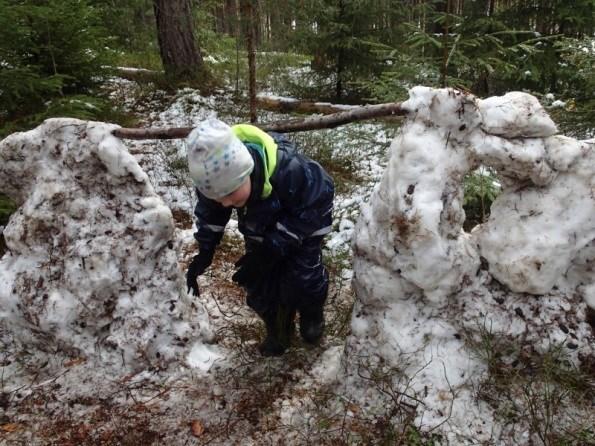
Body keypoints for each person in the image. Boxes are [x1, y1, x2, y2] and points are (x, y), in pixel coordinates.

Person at [185, 118, 334, 356]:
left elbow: (316, 204)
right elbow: (211, 213)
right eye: (218, 198)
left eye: (229, 194)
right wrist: (205, 252)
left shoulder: (291, 170)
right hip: (260, 228)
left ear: (247, 172)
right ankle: (278, 330)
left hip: (303, 227)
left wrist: (276, 245)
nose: (225, 203)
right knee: (260, 285)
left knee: (303, 277)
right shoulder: (215, 181)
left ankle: (311, 311)